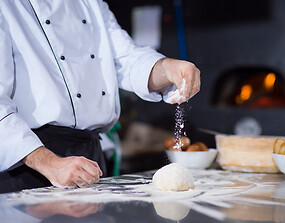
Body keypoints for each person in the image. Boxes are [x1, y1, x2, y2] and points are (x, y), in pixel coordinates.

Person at [0, 0, 200, 192]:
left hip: (90, 157)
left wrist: (166, 68)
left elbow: (126, 59)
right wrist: (50, 163)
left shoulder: (91, 2)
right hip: (30, 163)